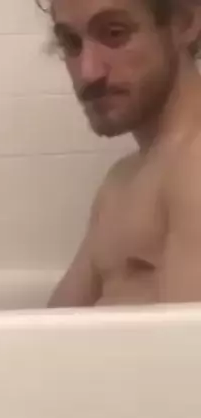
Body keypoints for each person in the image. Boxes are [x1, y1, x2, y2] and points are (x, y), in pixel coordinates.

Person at [44, 0, 201, 307]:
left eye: (114, 33)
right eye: (71, 43)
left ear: (185, 22)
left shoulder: (195, 169)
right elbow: (51, 325)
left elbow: (187, 337)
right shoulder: (122, 180)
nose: (88, 72)